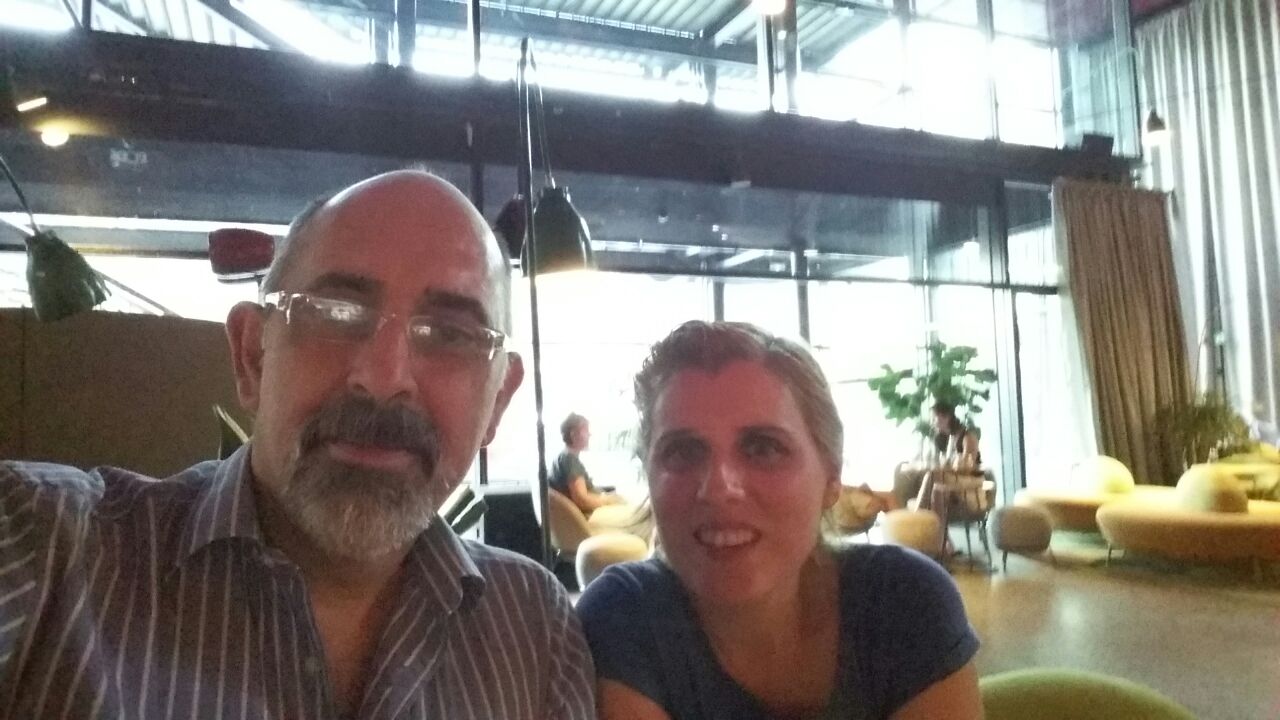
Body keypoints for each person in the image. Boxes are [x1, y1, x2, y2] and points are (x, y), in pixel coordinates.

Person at [0, 171, 595, 719]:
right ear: (252, 356)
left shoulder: (534, 628)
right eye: (335, 312)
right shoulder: (44, 549)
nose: (384, 378)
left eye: (450, 333)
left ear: (498, 400)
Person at [577, 320, 982, 720]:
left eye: (763, 448)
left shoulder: (902, 603)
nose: (718, 489)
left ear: (831, 477)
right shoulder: (625, 618)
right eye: (682, 451)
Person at [550, 412, 624, 514]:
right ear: (574, 434)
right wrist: (608, 501)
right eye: (586, 430)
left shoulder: (562, 457)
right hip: (592, 515)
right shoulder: (570, 460)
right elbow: (582, 501)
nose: (589, 434)